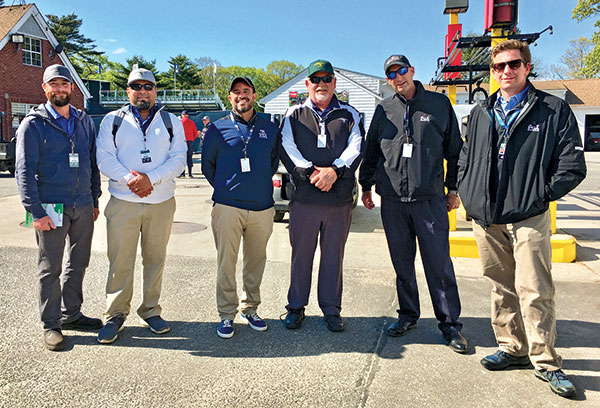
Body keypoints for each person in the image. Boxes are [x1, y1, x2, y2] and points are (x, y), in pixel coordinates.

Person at [458, 40, 586, 398]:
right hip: (488, 216)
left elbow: (572, 166)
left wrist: (538, 195)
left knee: (534, 289)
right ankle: (511, 348)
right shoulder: (483, 111)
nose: (505, 72)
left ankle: (546, 362)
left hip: (528, 216)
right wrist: (469, 195)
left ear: (527, 67)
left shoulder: (552, 110)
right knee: (500, 286)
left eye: (513, 64)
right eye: (498, 67)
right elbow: (467, 158)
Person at [358, 54, 468, 353]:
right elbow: (371, 151)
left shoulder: (438, 105)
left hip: (429, 199)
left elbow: (456, 151)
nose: (398, 77)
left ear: (412, 71)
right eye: (392, 74)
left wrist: (453, 188)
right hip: (393, 201)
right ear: (388, 80)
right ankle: (407, 315)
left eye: (402, 71)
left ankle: (449, 325)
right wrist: (365, 185)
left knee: (439, 265)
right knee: (402, 264)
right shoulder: (384, 109)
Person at [95, 68, 187, 344]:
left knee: (155, 260)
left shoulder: (171, 121)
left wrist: (151, 179)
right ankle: (115, 314)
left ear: (156, 90)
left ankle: (150, 310)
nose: (143, 91)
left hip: (160, 202)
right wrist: (130, 180)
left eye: (148, 86)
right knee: (120, 260)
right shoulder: (112, 121)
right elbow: (104, 157)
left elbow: (179, 158)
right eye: (137, 86)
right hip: (124, 201)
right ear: (128, 91)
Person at [15, 64, 102, 351]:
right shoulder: (33, 123)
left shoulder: (83, 120)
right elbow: (24, 170)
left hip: (83, 204)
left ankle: (72, 314)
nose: (60, 89)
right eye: (54, 84)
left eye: (64, 84)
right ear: (45, 89)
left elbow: (91, 161)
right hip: (50, 206)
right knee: (49, 267)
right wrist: (35, 211)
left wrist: (95, 198)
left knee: (79, 263)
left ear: (72, 88)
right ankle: (51, 324)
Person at [279, 59, 364, 332]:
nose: (321, 84)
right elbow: (286, 146)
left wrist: (334, 172)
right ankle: (295, 307)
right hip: (305, 199)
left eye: (327, 79)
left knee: (333, 257)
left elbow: (356, 146)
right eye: (315, 79)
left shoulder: (351, 114)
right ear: (307, 84)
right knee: (301, 256)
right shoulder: (293, 114)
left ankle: (331, 309)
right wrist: (310, 173)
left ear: (335, 83)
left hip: (338, 200)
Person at [202, 77, 279, 338]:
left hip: (262, 207)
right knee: (227, 263)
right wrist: (228, 188)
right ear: (229, 98)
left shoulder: (269, 127)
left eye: (246, 91)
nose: (241, 96)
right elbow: (207, 166)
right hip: (228, 207)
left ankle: (251, 308)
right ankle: (226, 314)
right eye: (236, 92)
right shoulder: (217, 129)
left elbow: (271, 161)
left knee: (256, 261)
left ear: (255, 96)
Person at [180, 110, 199, 177]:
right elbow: (195, 133)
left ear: (182, 115)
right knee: (189, 157)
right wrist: (192, 139)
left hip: (182, 142)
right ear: (187, 115)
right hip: (190, 142)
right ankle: (190, 174)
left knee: (183, 157)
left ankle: (182, 174)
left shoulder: (180, 122)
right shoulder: (192, 122)